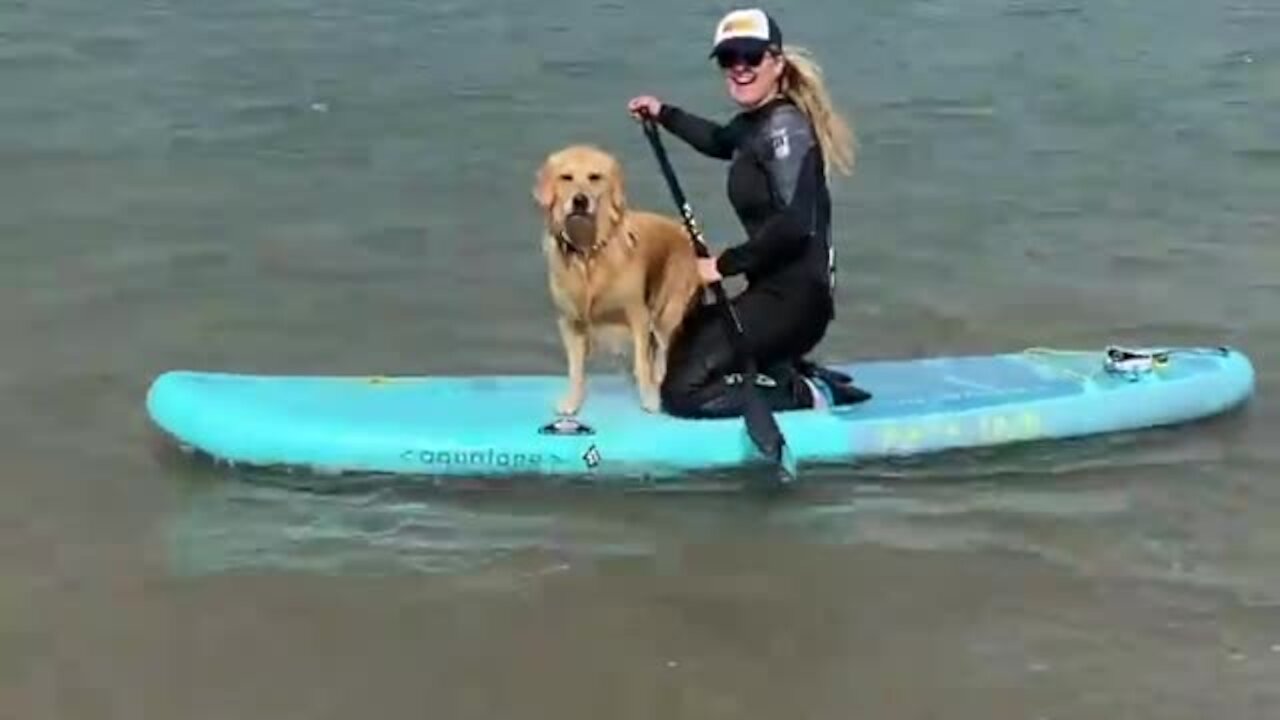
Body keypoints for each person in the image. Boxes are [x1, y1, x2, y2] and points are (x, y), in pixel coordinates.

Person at [627, 7, 870, 419]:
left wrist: (722, 265)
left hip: (797, 301)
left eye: (751, 57)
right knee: (687, 336)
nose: (739, 68)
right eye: (728, 58)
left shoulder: (785, 130)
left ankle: (804, 392)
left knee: (683, 393)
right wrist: (663, 113)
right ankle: (776, 367)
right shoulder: (753, 125)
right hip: (769, 292)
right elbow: (719, 140)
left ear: (776, 63)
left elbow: (795, 226)